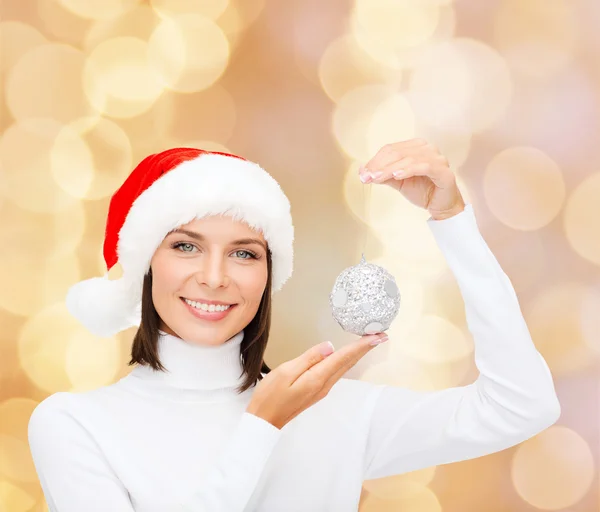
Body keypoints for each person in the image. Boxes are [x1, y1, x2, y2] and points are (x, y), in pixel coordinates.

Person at [27, 141, 561, 512]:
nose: (214, 278)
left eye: (244, 253)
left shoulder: (333, 413)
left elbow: (522, 405)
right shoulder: (75, 425)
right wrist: (262, 426)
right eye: (185, 246)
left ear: (267, 275)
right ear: (145, 263)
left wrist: (452, 221)